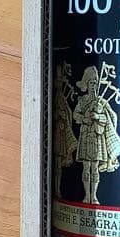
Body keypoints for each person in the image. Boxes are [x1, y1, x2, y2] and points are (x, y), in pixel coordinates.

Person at [72, 66, 120, 205]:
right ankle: (87, 196)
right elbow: (75, 114)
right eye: (91, 82)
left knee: (95, 168)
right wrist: (84, 118)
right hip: (86, 134)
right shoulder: (83, 101)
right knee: (86, 167)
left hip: (98, 135)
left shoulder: (102, 102)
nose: (93, 85)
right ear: (86, 83)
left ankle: (94, 196)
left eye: (95, 83)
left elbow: (112, 117)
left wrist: (98, 117)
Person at [52, 66, 79, 199]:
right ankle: (57, 190)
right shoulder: (57, 96)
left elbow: (68, 114)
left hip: (62, 134)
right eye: (57, 79)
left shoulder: (62, 98)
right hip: (57, 134)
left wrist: (63, 116)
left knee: (58, 166)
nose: (59, 82)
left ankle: (58, 190)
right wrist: (58, 115)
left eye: (60, 79)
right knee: (57, 165)